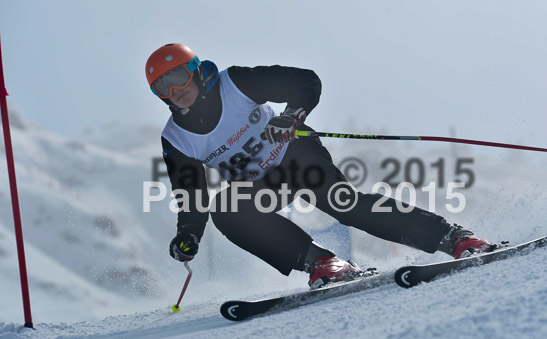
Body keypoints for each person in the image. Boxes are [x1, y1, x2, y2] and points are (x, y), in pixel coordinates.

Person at [145, 43, 493, 289]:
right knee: (225, 209)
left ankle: (454, 238)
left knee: (345, 205)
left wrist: (291, 114)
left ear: (196, 70)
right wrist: (188, 234)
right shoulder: (176, 138)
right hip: (265, 185)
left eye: (177, 77)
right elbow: (191, 192)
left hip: (296, 154)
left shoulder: (234, 82)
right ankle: (323, 262)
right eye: (162, 86)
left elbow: (304, 81)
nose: (173, 90)